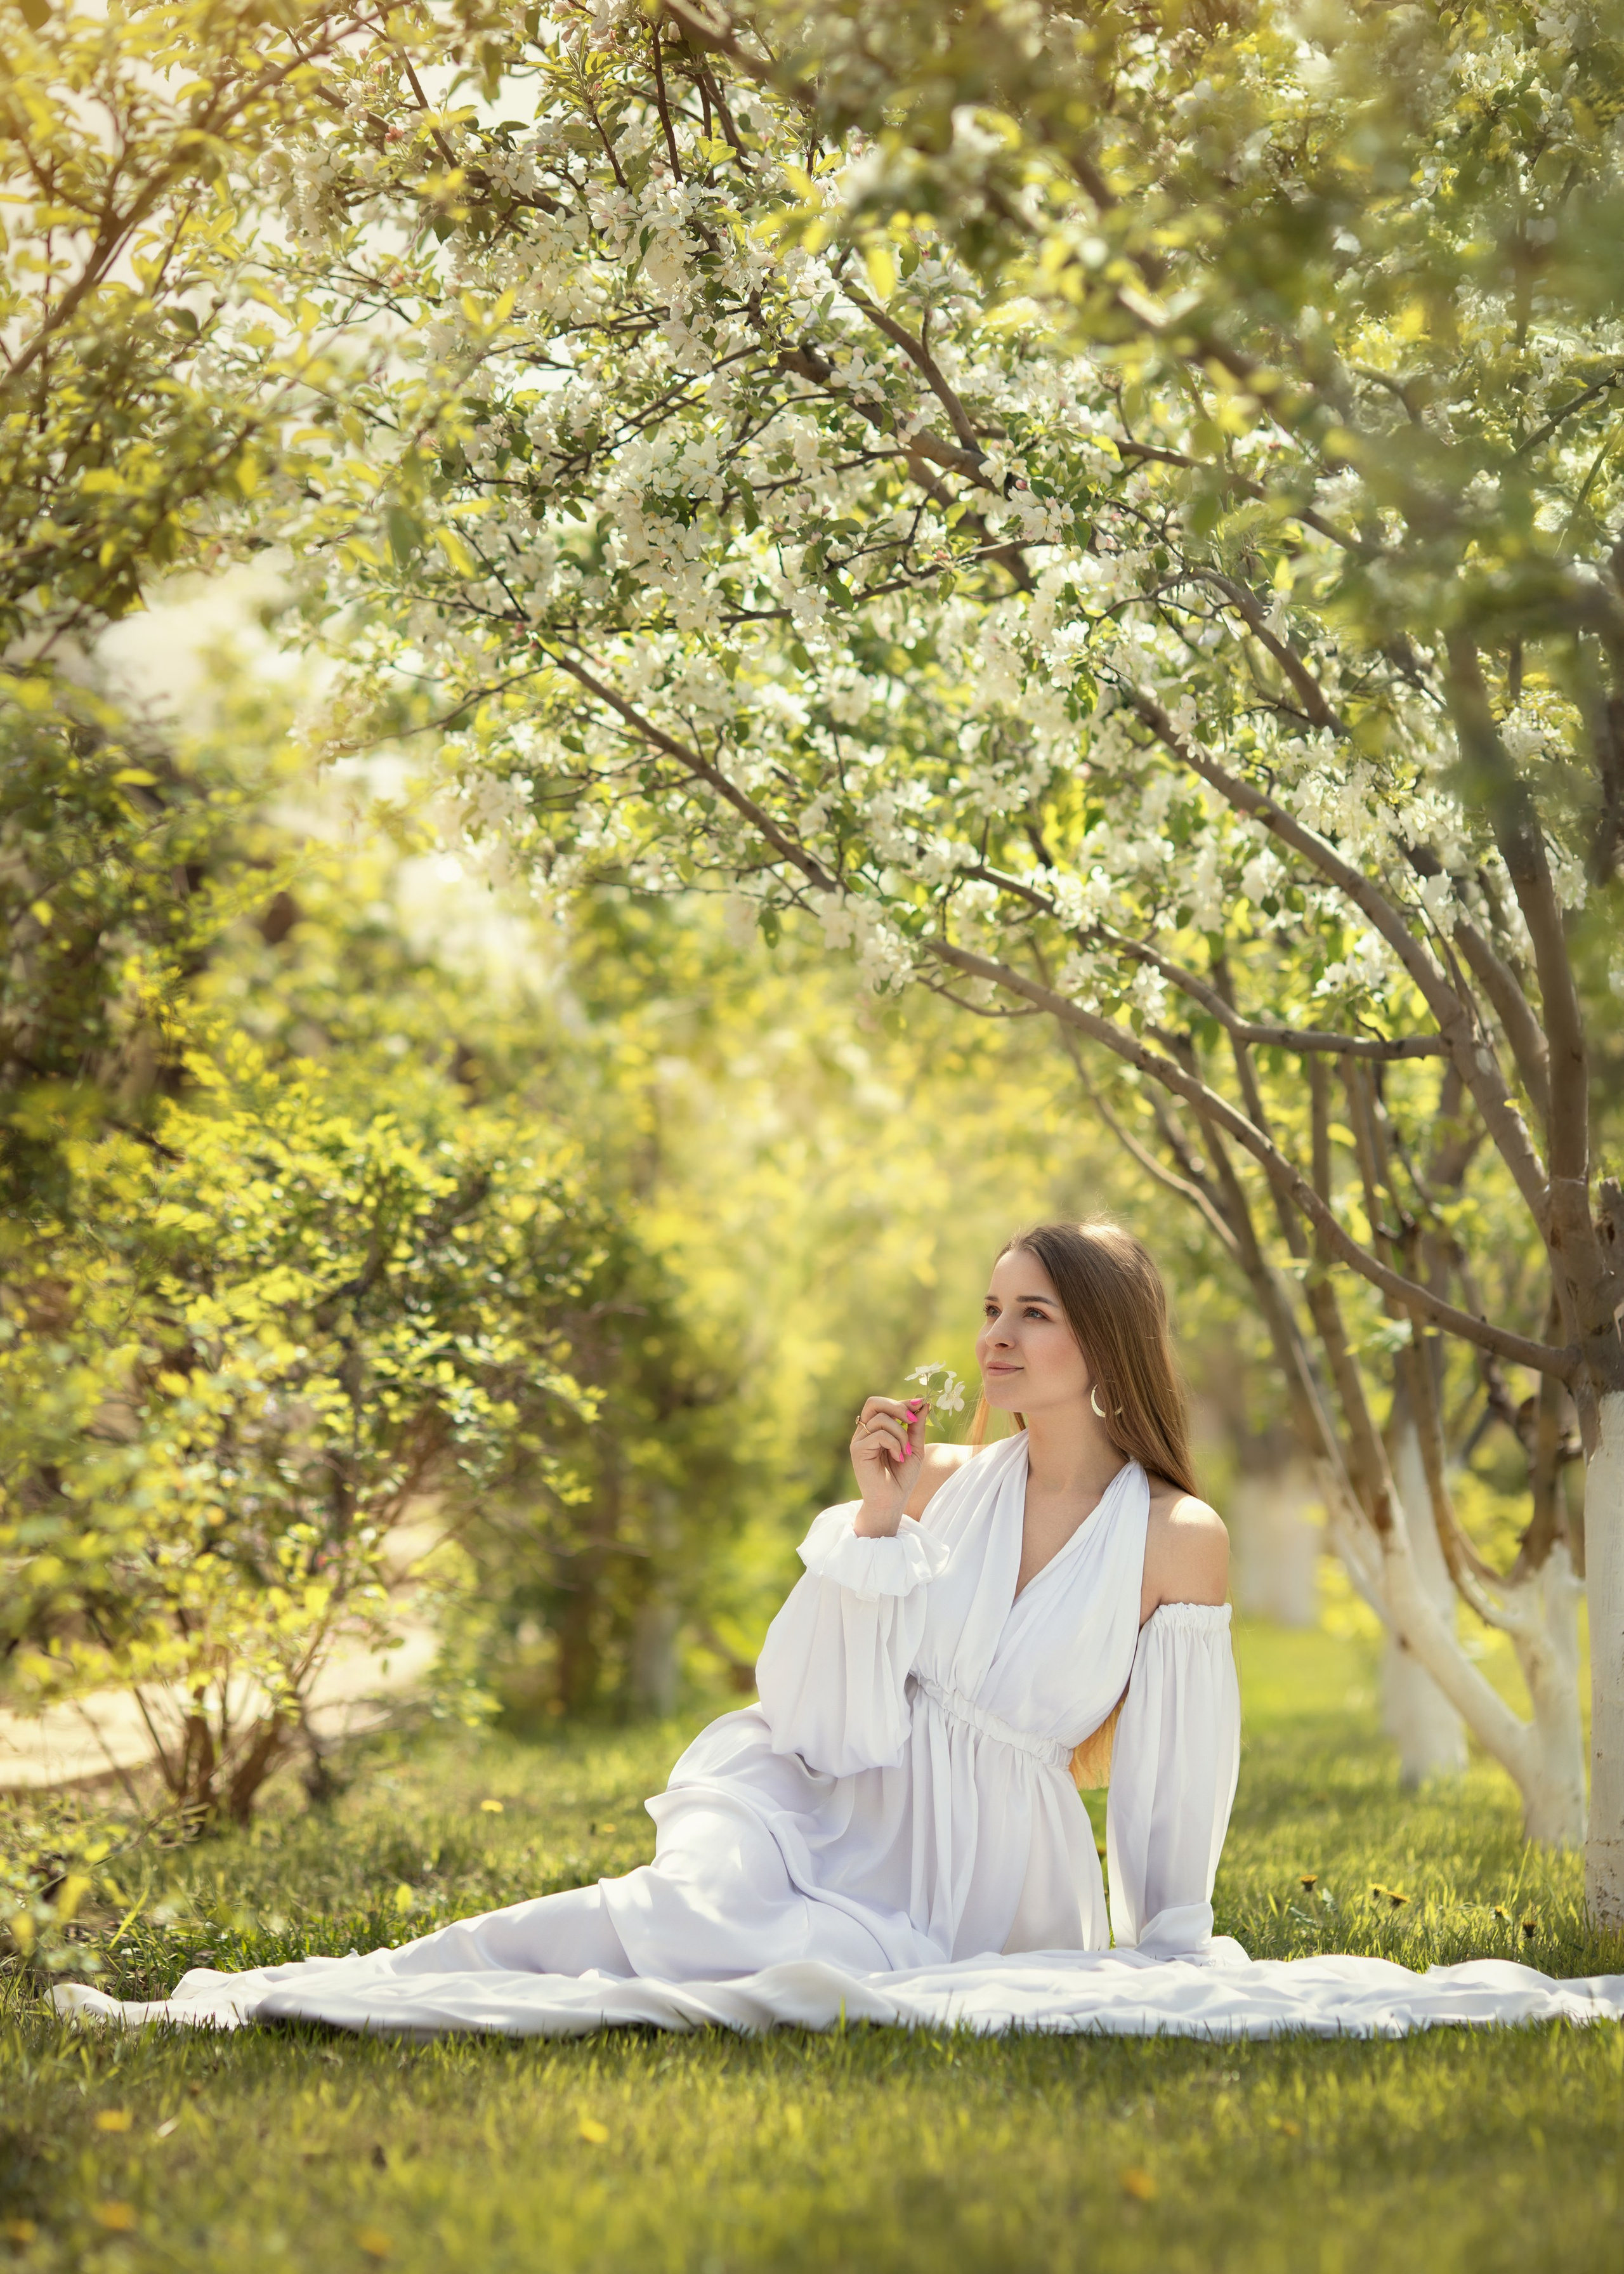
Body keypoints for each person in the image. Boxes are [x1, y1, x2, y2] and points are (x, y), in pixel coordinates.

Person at [63, 1223, 1619, 2041]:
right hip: (821, 1787)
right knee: (660, 1910)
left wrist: (1157, 1947)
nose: (994, 1337)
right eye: (990, 1307)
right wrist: (872, 1517)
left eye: (1033, 1315)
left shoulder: (1177, 1535)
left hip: (988, 1862)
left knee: (783, 1969)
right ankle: (324, 1987)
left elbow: (1165, 1783)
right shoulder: (933, 1475)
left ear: (1104, 1346)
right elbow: (806, 1701)